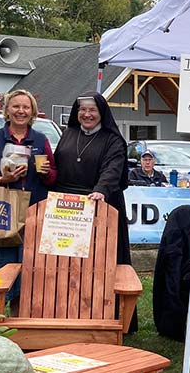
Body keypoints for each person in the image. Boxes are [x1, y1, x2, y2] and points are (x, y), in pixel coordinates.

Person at [0, 89, 57, 303]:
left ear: (33, 112)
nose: (21, 111)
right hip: (4, 211)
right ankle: (0, 311)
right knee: (5, 265)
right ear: (7, 110)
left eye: (26, 107)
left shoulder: (41, 140)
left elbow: (53, 178)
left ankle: (24, 310)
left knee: (32, 266)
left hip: (34, 211)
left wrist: (46, 173)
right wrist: (3, 179)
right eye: (16, 106)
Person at [54, 91, 132, 269]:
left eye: (92, 110)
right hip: (67, 208)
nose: (87, 114)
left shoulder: (113, 140)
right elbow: (57, 163)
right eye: (82, 109)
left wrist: (101, 189)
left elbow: (112, 169)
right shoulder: (68, 133)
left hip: (98, 202)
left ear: (102, 112)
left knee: (98, 261)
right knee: (66, 262)